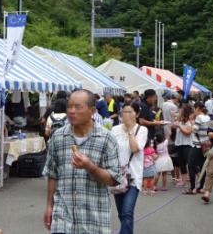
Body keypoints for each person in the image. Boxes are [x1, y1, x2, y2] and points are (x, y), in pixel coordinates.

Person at [43, 89, 121, 234]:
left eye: (78, 107)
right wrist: (49, 206)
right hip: (63, 216)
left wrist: (90, 167)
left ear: (92, 111)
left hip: (94, 218)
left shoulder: (106, 139)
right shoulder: (58, 137)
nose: (72, 111)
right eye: (69, 106)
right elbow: (52, 174)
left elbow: (114, 180)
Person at [111, 102, 147, 234]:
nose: (126, 115)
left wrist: (130, 130)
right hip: (118, 176)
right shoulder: (115, 130)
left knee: (127, 212)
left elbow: (135, 148)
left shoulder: (142, 130)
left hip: (133, 177)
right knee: (121, 214)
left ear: (137, 114)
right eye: (124, 112)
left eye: (130, 112)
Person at [185, 101, 210, 195]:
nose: (194, 111)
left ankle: (192, 187)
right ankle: (200, 187)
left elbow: (193, 130)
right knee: (202, 166)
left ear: (198, 108)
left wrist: (191, 122)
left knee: (190, 165)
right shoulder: (207, 117)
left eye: (194, 109)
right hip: (204, 145)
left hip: (196, 145)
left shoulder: (199, 117)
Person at [172, 104, 193, 188]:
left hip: (187, 145)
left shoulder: (189, 122)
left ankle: (199, 180)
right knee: (182, 164)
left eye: (181, 110)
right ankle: (184, 181)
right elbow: (173, 127)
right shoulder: (180, 121)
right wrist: (174, 123)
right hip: (179, 144)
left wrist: (179, 126)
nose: (179, 111)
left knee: (190, 163)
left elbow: (188, 133)